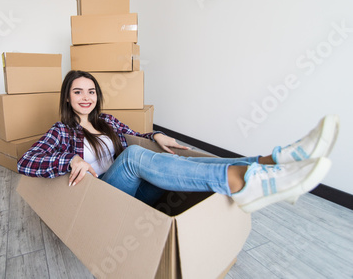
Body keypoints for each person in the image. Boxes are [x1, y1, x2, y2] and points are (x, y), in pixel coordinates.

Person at [18, 70, 339, 213]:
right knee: (132, 158)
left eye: (91, 91)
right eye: (78, 92)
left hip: (134, 193)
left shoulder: (106, 122)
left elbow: (138, 135)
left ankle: (272, 162)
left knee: (179, 162)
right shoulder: (61, 131)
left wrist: (154, 134)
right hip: (104, 199)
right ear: (67, 97)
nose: (86, 97)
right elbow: (26, 161)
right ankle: (242, 182)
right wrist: (70, 159)